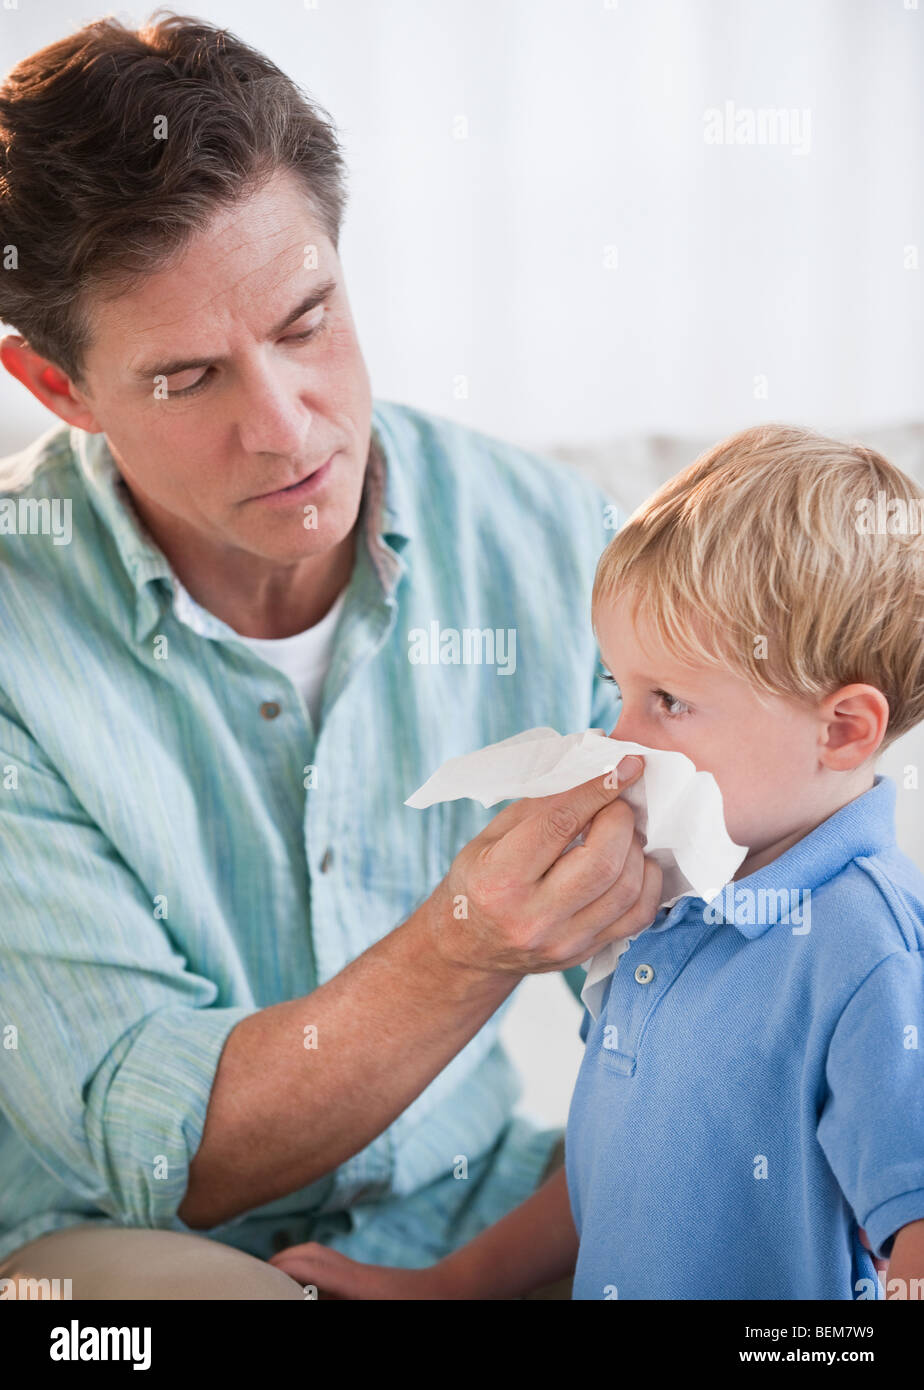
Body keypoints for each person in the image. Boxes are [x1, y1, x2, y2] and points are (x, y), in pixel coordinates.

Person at [0, 14, 662, 1299]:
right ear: (57, 385)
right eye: (189, 378)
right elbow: (166, 1161)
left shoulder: (553, 540)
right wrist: (469, 939)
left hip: (478, 1211)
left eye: (307, 321)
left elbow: (697, 1012)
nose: (286, 426)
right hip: (132, 1258)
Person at [267, 426, 924, 1299]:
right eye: (621, 690)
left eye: (670, 701)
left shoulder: (866, 951)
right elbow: (613, 1167)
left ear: (841, 731)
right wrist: (450, 1285)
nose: (620, 737)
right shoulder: (672, 906)